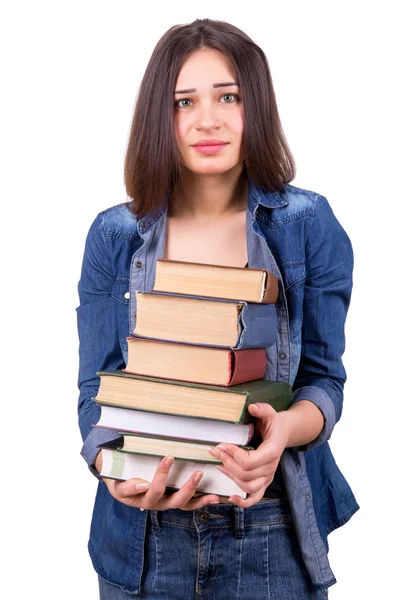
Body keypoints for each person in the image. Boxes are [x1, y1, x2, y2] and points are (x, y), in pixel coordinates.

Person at [77, 18, 359, 600]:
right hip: (141, 547)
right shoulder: (114, 236)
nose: (208, 119)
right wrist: (111, 467)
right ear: (162, 116)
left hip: (269, 536)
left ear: (256, 105)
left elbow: (323, 384)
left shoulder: (307, 226)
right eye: (185, 102)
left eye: (228, 95)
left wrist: (279, 433)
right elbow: (95, 389)